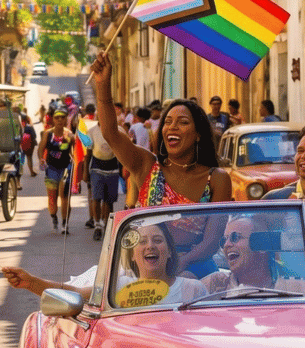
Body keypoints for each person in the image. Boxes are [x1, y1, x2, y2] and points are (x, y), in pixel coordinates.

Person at [91, 52, 231, 277]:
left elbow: (212, 242)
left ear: (198, 135)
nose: (172, 127)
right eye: (167, 122)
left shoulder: (217, 179)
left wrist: (176, 265)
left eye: (183, 122)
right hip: (145, 263)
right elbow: (109, 132)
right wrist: (102, 84)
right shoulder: (147, 165)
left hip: (195, 267)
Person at [2, 222, 207, 305]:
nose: (150, 246)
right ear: (133, 255)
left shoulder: (194, 289)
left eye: (158, 240)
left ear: (170, 251)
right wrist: (30, 282)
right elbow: (71, 293)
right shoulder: (117, 286)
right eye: (142, 242)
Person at [202, 215, 274, 292]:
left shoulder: (286, 287)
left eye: (235, 237)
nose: (226, 245)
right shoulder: (215, 283)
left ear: (261, 245)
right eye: (224, 240)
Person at [39, 107, 74, 234]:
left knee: (65, 196)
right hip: (51, 168)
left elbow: (74, 150)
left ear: (66, 119)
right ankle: (54, 217)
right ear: (53, 119)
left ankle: (65, 224)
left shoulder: (69, 134)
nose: (59, 120)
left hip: (66, 168)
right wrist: (40, 159)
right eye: (57, 117)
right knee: (52, 198)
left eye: (62, 117)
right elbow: (41, 148)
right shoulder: (48, 134)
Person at [86, 116, 120, 241]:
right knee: (96, 198)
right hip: (97, 170)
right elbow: (88, 154)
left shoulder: (118, 130)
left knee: (109, 201)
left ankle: (108, 225)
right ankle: (97, 226)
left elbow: (122, 151)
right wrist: (85, 172)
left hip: (113, 170)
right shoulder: (92, 131)